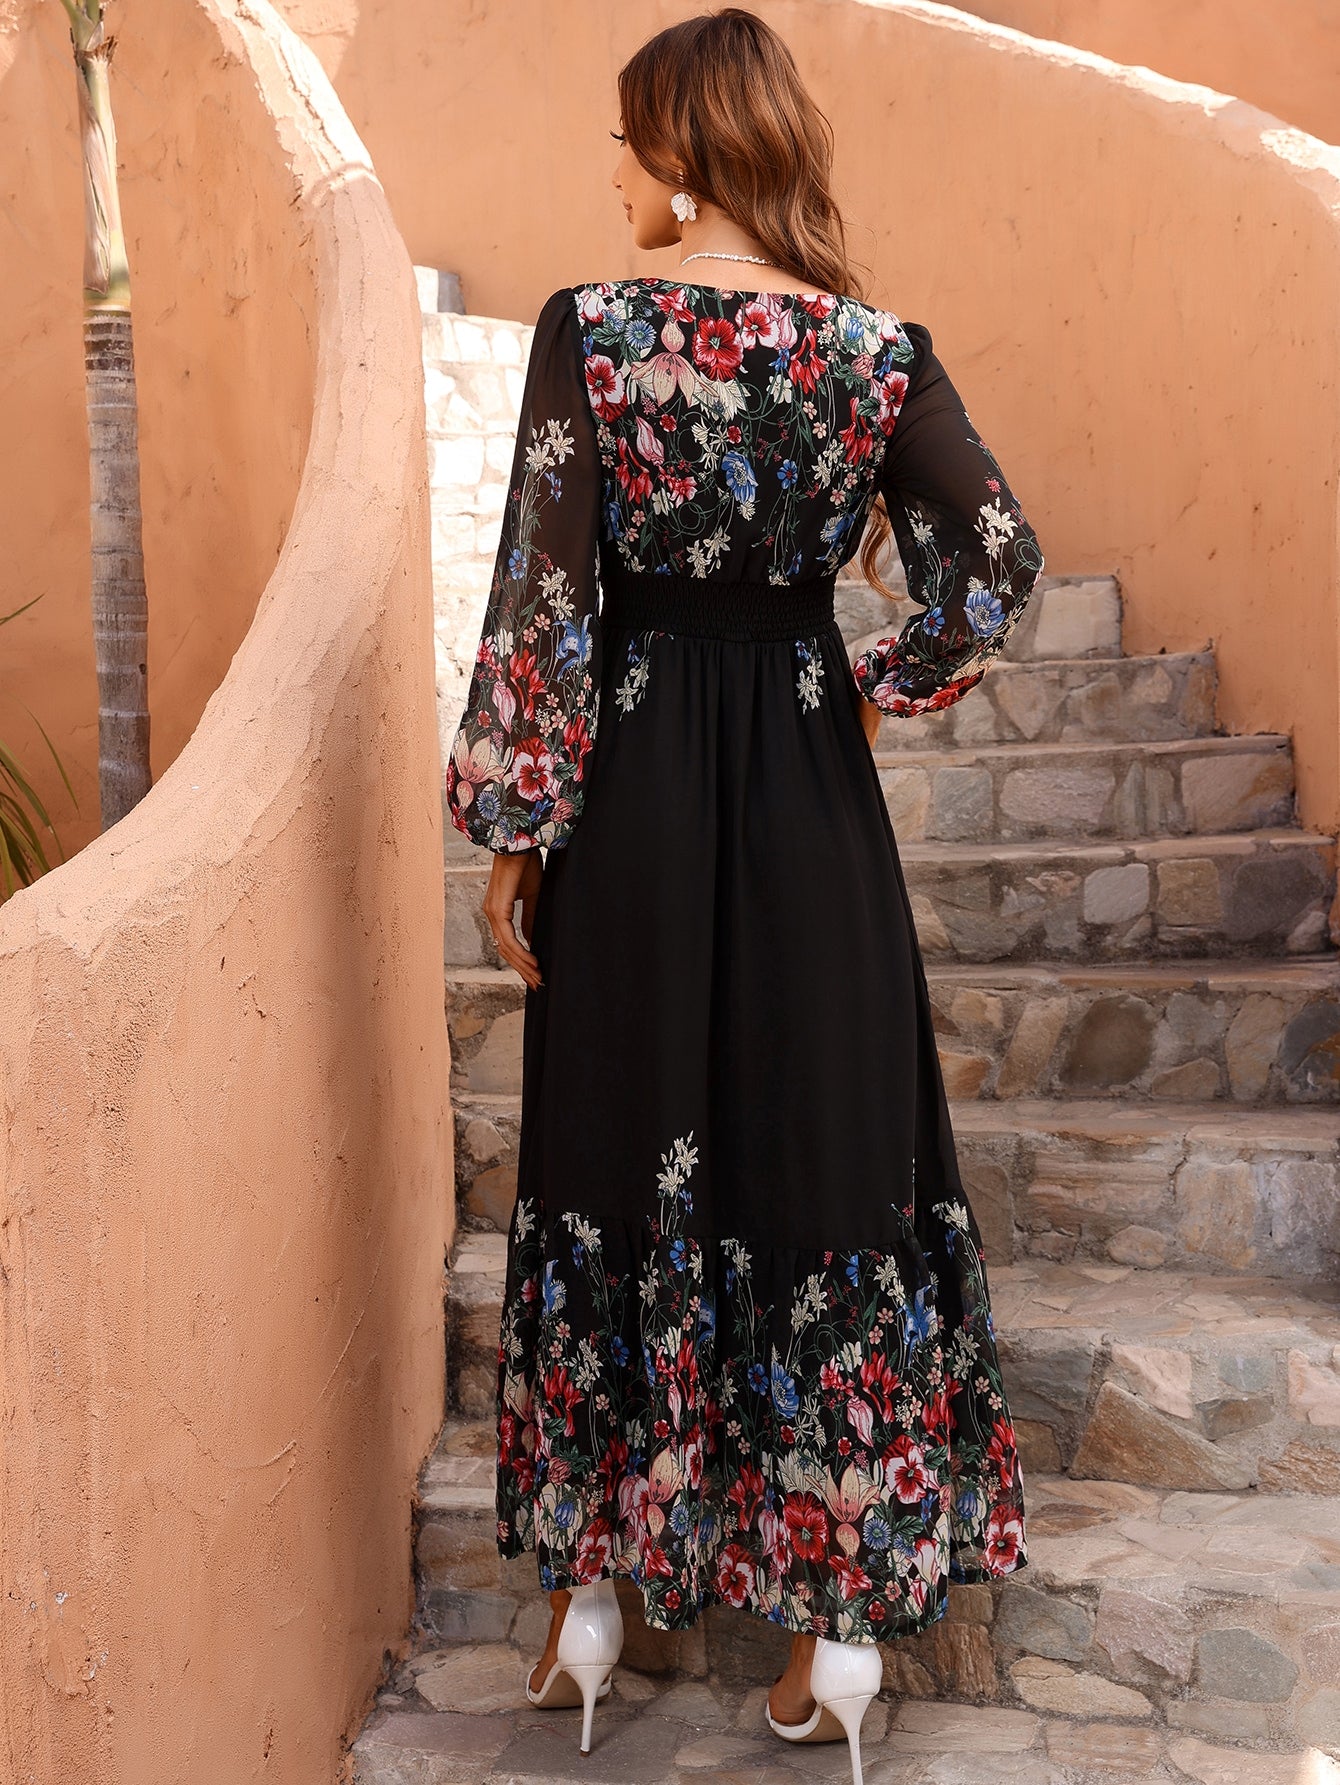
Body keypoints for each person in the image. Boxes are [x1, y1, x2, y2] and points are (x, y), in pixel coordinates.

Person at [444, 9, 1042, 1779]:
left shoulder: (593, 334)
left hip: (631, 810)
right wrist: (876, 678)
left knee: (610, 1152)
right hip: (810, 808)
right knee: (822, 1160)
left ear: (689, 157)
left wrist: (517, 826)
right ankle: (836, 1632)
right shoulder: (874, 351)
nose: (617, 171)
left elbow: (544, 601)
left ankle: (590, 1606)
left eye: (630, 140)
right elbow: (998, 559)